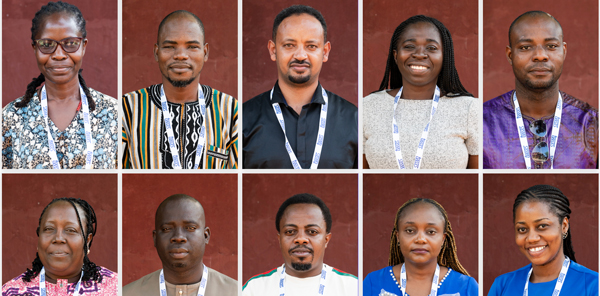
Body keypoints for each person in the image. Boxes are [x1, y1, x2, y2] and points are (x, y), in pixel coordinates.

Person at [2, 1, 118, 169]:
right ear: (35, 48)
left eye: (70, 43)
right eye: (47, 45)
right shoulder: (11, 117)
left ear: (83, 46)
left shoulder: (113, 114)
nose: (58, 55)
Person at [243, 5, 358, 169]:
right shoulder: (243, 119)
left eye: (311, 46)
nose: (300, 55)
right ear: (273, 50)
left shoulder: (353, 119)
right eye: (289, 45)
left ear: (325, 52)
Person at [122, 10, 238, 169]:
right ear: (157, 53)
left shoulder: (230, 110)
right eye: (170, 46)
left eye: (192, 46)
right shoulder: (127, 108)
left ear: (205, 53)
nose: (181, 55)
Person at [483, 11, 598, 169]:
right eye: (525, 47)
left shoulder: (591, 123)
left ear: (563, 51)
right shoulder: (482, 121)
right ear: (510, 55)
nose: (540, 56)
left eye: (551, 46)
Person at [363, 15, 479, 170]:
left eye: (431, 48)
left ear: (444, 58)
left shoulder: (469, 108)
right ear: (396, 56)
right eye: (409, 46)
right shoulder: (368, 106)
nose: (419, 54)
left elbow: (476, 174)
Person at [483, 185, 598, 296]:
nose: (531, 238)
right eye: (522, 229)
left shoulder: (593, 286)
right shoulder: (502, 286)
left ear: (564, 226)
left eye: (542, 226)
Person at [243, 193, 357, 296]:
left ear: (326, 239)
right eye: (290, 232)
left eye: (312, 232)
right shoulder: (253, 292)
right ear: (279, 239)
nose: (301, 239)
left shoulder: (353, 291)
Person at [123, 194, 237, 296]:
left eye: (190, 227)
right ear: (155, 238)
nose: (178, 237)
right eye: (166, 229)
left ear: (206, 235)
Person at [2, 198, 118, 296]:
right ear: (39, 239)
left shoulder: (116, 291)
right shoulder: (8, 295)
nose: (58, 238)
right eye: (49, 229)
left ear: (87, 241)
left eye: (70, 230)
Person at [363, 198, 478, 296]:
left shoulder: (466, 287)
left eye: (431, 232)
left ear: (443, 239)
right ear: (398, 237)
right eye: (410, 230)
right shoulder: (373, 283)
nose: (420, 239)